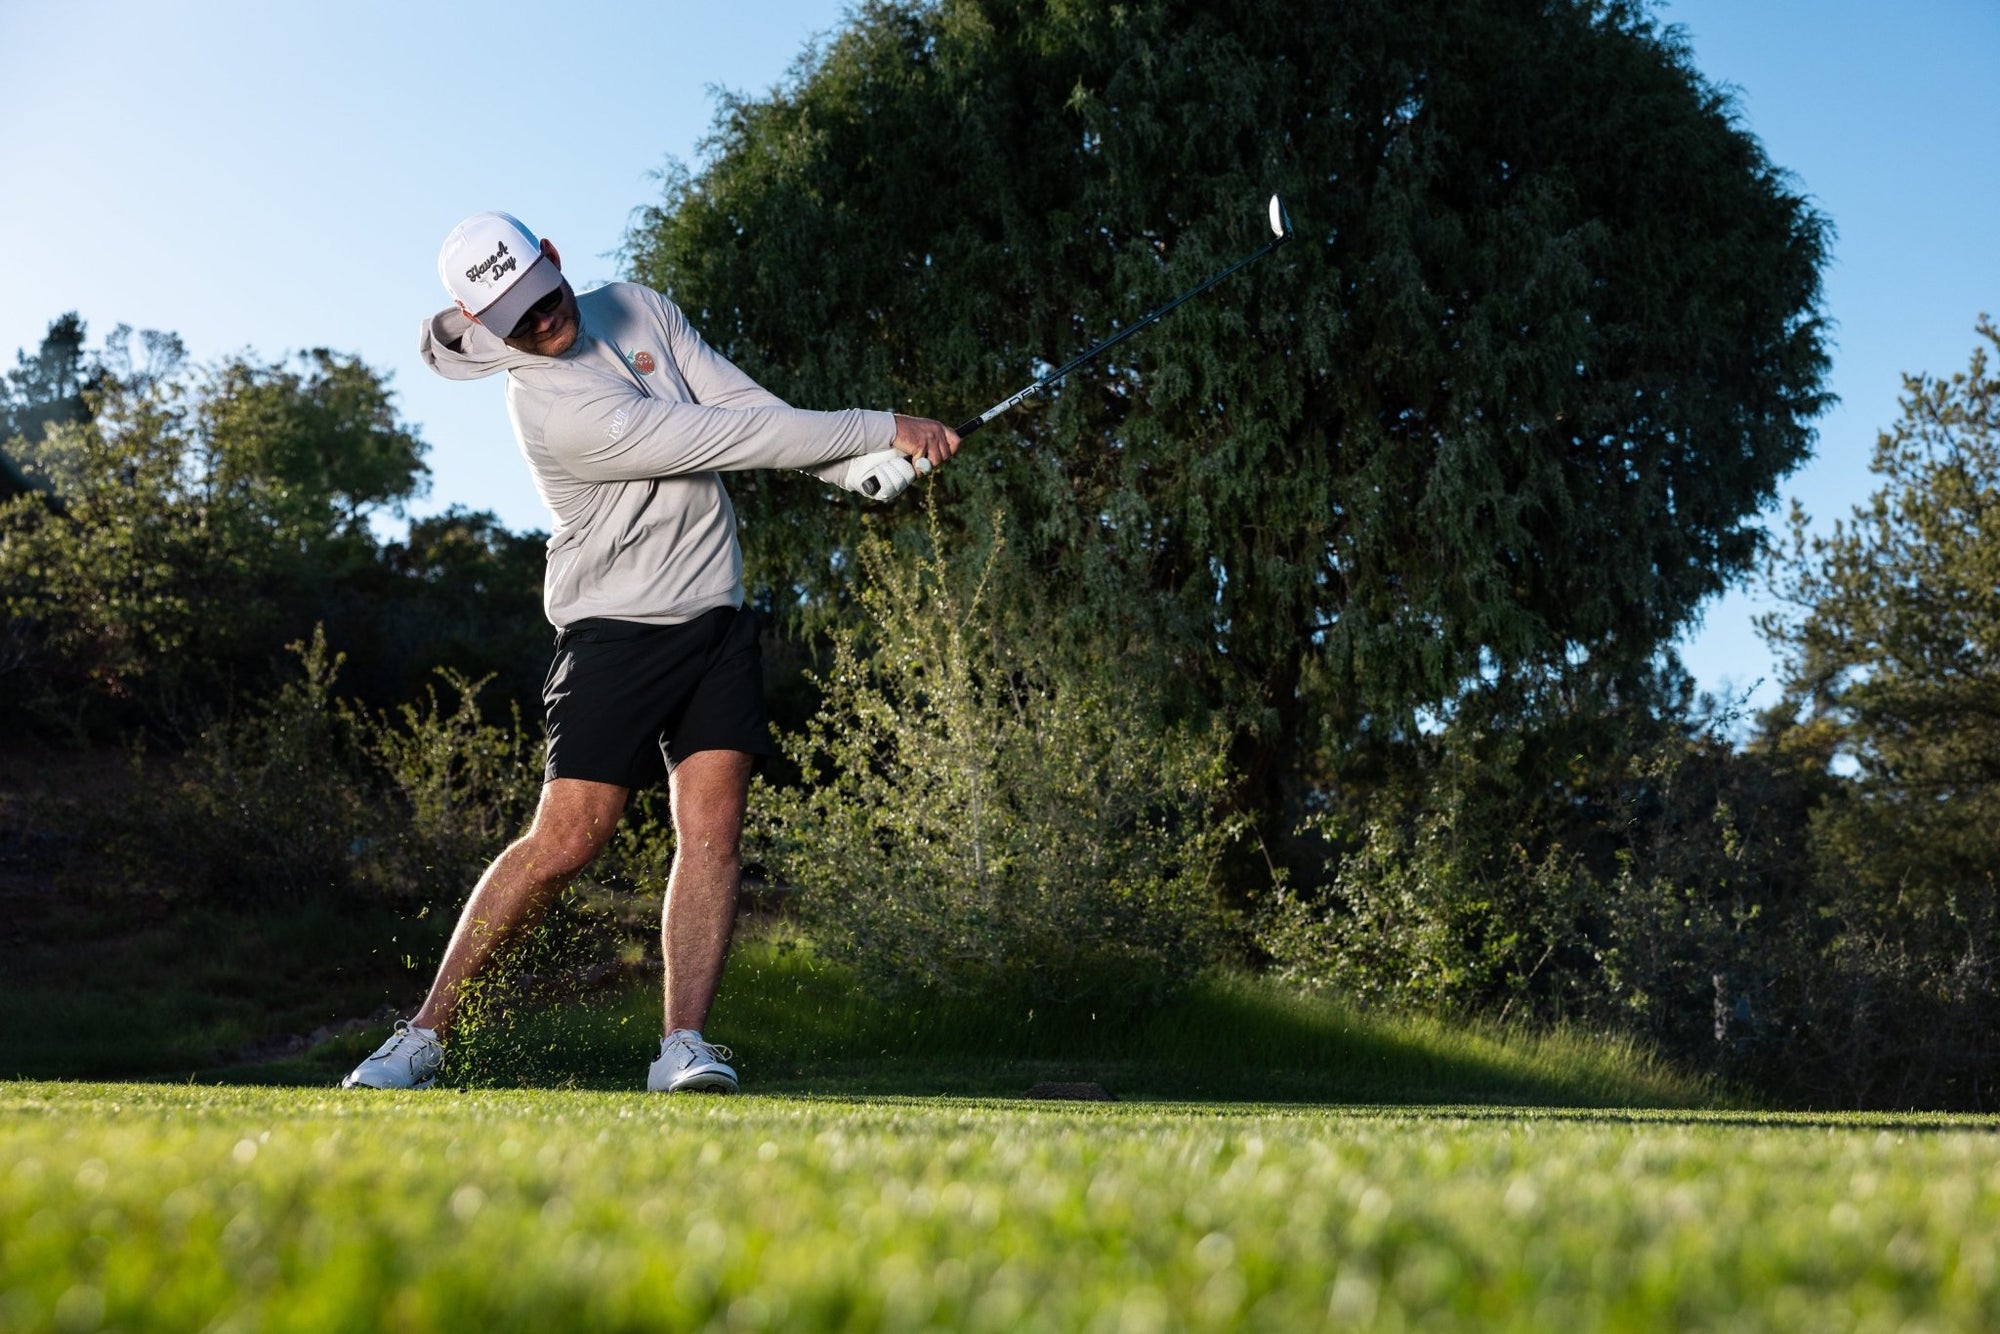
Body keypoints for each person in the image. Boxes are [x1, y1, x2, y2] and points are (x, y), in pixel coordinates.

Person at [342, 211, 959, 1092]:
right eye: (516, 319)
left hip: (715, 616)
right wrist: (882, 425)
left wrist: (850, 465)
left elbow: (744, 407)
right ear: (479, 322)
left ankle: (683, 1046)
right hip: (616, 630)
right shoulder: (554, 409)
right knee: (567, 840)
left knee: (713, 834)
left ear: (554, 258)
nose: (542, 321)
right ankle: (423, 1038)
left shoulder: (635, 306)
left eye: (545, 297)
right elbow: (727, 441)